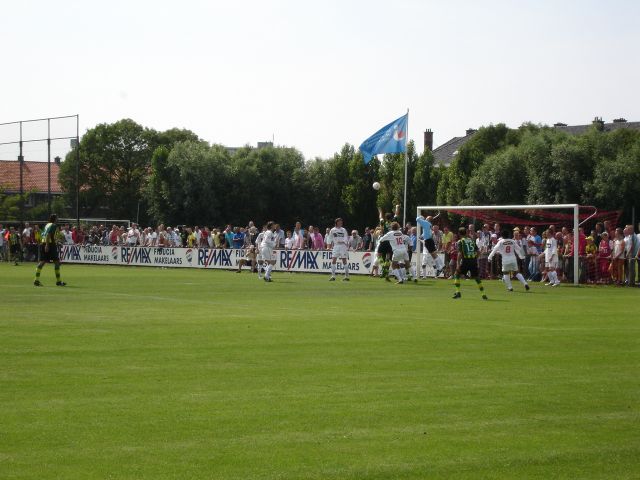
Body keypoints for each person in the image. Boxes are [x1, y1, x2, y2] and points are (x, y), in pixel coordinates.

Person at [452, 227, 487, 300]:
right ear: (466, 233)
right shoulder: (472, 241)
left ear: (459, 234)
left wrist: (458, 264)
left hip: (466, 261)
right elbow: (478, 252)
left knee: (456, 274)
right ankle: (483, 294)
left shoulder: (460, 241)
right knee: (476, 277)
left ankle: (458, 292)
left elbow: (460, 253)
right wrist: (475, 258)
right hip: (473, 261)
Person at [34, 214, 65, 286]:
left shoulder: (47, 225)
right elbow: (48, 235)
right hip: (50, 245)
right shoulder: (54, 225)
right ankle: (59, 281)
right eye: (57, 218)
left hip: (44, 243)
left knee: (42, 262)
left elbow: (46, 235)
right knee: (57, 262)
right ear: (54, 219)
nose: (58, 219)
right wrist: (47, 245)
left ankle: (36, 280)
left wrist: (56, 242)